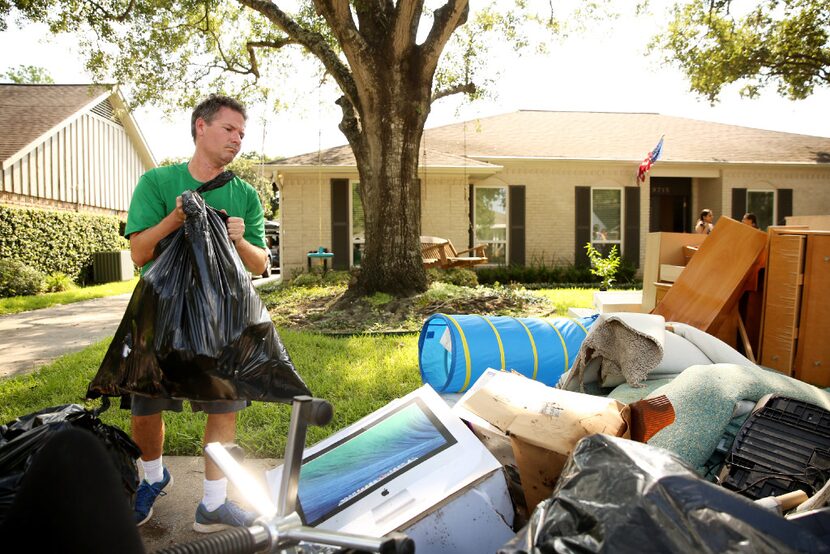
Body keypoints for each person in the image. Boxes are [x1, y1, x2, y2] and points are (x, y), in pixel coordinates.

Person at [124, 94, 267, 533]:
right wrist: (174, 218)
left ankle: (213, 503)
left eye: (242, 133)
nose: (238, 139)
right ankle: (151, 479)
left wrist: (239, 239)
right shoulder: (156, 182)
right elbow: (139, 253)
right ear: (200, 127)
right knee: (146, 405)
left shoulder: (243, 194)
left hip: (221, 314)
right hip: (160, 309)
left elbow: (260, 264)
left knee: (222, 406)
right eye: (229, 129)